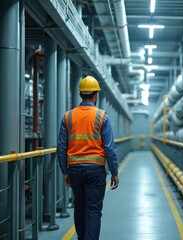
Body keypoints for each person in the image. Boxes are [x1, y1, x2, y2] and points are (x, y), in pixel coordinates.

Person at [57, 75, 119, 240]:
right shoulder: (101, 116)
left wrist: (65, 171)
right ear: (96, 95)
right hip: (95, 171)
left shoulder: (68, 117)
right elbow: (109, 149)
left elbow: (61, 147)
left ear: (80, 94)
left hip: (75, 170)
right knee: (93, 210)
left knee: (79, 207)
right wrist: (114, 172)